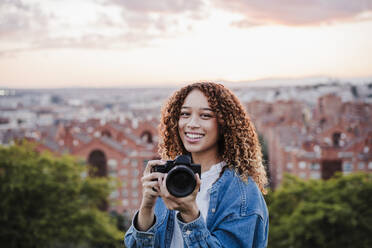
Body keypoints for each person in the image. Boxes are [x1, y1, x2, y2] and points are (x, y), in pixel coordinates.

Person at [125, 82, 269, 247]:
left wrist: (191, 214)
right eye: (185, 114)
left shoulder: (242, 192)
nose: (191, 123)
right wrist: (147, 207)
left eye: (205, 115)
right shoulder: (170, 177)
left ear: (224, 125)